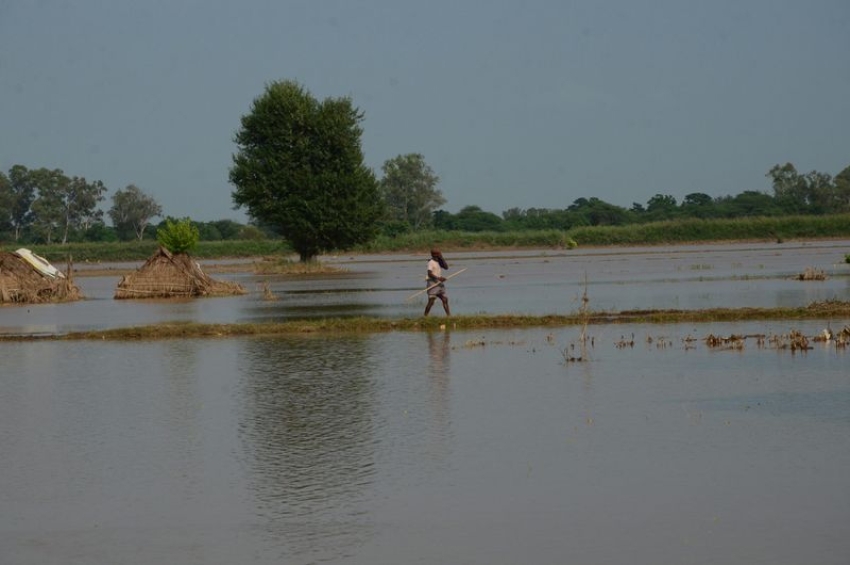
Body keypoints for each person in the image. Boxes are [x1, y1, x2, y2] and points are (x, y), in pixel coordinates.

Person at [424, 248, 451, 316]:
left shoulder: (439, 261)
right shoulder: (431, 262)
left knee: (445, 299)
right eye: (439, 253)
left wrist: (442, 258)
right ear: (435, 255)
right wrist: (439, 278)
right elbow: (429, 273)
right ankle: (425, 316)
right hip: (432, 283)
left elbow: (446, 267)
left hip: (439, 283)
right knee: (431, 301)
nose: (440, 254)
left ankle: (449, 316)